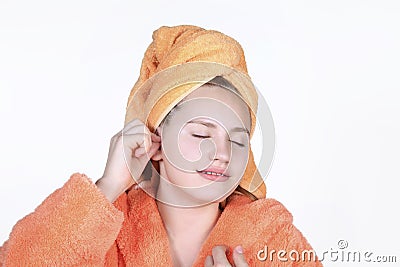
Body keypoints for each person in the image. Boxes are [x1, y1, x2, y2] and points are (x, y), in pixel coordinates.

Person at [0, 25, 322, 267]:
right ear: (156, 139)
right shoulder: (109, 230)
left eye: (238, 141)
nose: (223, 154)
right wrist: (108, 186)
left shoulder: (270, 235)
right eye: (200, 135)